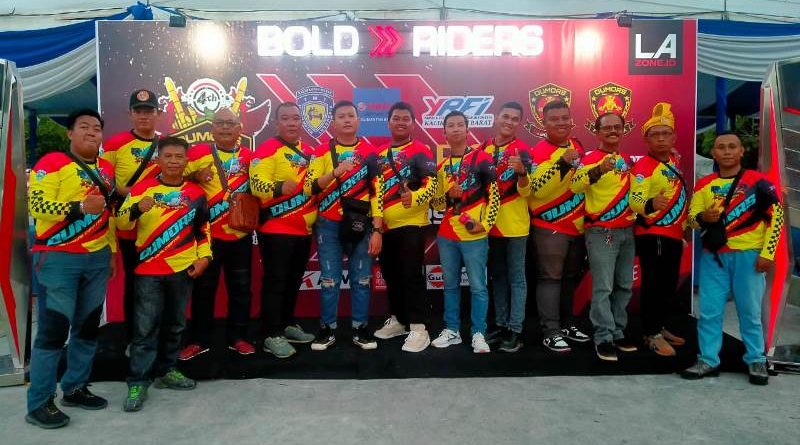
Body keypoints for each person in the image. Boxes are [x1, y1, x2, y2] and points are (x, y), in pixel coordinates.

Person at [27, 109, 116, 428]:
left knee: (88, 326)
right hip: (58, 258)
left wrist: (112, 252)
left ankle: (75, 387)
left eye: (97, 128)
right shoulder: (51, 162)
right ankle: (39, 402)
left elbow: (109, 214)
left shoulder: (106, 169)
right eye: (84, 127)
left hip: (97, 257)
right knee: (54, 329)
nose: (92, 132)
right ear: (70, 133)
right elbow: (36, 205)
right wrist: (77, 207)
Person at [117, 136, 211, 411]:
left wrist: (205, 257)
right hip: (148, 269)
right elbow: (121, 222)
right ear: (158, 159)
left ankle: (167, 370)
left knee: (176, 324)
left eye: (178, 157)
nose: (173, 161)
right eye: (168, 156)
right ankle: (138, 381)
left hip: (182, 267)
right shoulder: (142, 189)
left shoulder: (195, 193)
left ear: (186, 160)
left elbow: (203, 229)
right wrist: (136, 208)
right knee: (145, 328)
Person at [682, 132, 783, 385]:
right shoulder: (704, 184)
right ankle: (708, 359)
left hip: (749, 258)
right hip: (714, 258)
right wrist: (704, 217)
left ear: (741, 151)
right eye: (721, 147)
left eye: (732, 147)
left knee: (750, 312)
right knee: (709, 312)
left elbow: (777, 218)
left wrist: (767, 254)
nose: (726, 151)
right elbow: (690, 219)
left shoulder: (759, 182)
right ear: (713, 154)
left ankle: (756, 359)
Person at [305, 100, 384, 351]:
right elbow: (309, 187)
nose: (347, 120)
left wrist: (378, 230)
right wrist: (335, 172)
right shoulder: (321, 151)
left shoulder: (370, 152)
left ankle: (360, 328)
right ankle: (327, 329)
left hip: (362, 225)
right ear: (333, 122)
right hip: (328, 225)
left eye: (351, 115)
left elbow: (377, 193)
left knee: (362, 280)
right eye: (341, 116)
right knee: (329, 279)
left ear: (358, 120)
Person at [179, 108, 255, 360]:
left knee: (241, 289)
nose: (224, 127)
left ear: (239, 128)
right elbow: (171, 177)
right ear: (211, 128)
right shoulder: (198, 153)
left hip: (240, 235)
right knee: (203, 290)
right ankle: (199, 340)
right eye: (220, 123)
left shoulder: (250, 156)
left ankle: (239, 337)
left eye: (230, 123)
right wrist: (194, 175)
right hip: (206, 237)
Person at [250, 102, 319, 358]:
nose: (291, 123)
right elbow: (256, 183)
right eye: (286, 118)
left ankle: (287, 324)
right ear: (276, 122)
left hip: (303, 231)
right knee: (276, 282)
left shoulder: (310, 151)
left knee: (293, 281)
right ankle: (271, 334)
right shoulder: (267, 149)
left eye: (296, 118)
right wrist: (278, 187)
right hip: (276, 229)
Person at [430, 110, 500, 353]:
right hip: (447, 234)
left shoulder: (482, 158)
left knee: (478, 286)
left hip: (474, 235)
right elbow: (437, 204)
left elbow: (495, 196)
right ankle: (452, 330)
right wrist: (448, 195)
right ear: (444, 132)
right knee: (449, 285)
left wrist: (486, 224)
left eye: (460, 124)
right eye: (451, 125)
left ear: (468, 130)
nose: (456, 128)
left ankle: (478, 332)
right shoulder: (442, 167)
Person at [570, 112, 637, 361]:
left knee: (624, 285)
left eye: (617, 127)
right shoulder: (588, 159)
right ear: (597, 132)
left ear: (623, 130)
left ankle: (618, 331)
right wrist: (599, 169)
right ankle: (603, 336)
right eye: (607, 127)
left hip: (627, 231)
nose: (613, 131)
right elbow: (575, 186)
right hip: (601, 232)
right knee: (604, 287)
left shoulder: (627, 160)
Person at [372, 102, 438, 352]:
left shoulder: (421, 149)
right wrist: (377, 224)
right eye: (396, 118)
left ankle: (419, 328)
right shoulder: (379, 154)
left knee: (410, 276)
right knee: (391, 275)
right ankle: (399, 320)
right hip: (386, 227)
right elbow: (375, 192)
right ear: (388, 122)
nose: (400, 122)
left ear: (413, 123)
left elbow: (432, 183)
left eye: (406, 119)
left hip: (412, 224)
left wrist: (416, 197)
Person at [101, 89, 162, 352]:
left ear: (158, 114)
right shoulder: (115, 144)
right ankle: (132, 339)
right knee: (135, 284)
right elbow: (103, 183)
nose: (144, 116)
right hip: (129, 227)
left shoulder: (167, 144)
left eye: (149, 111)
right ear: (130, 114)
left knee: (160, 284)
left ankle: (158, 337)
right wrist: (129, 192)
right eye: (138, 111)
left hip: (161, 226)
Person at [529, 101, 591, 354]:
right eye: (554, 119)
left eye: (565, 117)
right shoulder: (539, 151)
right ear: (544, 123)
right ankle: (550, 331)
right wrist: (562, 163)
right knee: (550, 278)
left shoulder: (577, 145)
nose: (561, 122)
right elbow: (536, 188)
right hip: (549, 225)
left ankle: (567, 325)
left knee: (568, 279)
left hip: (577, 225)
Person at [629, 103, 690, 357]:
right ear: (646, 139)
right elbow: (634, 200)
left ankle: (660, 326)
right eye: (655, 134)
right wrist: (651, 203)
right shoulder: (644, 166)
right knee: (654, 285)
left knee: (668, 285)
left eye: (666, 133)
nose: (661, 139)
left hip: (674, 235)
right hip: (653, 234)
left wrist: (682, 233)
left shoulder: (673, 160)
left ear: (674, 137)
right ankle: (650, 334)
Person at [481, 102, 534, 353]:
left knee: (517, 279)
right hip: (489, 226)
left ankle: (515, 329)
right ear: (496, 118)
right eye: (505, 116)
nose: (509, 122)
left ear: (519, 123)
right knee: (498, 277)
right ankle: (501, 325)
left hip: (515, 226)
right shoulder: (482, 148)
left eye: (515, 119)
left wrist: (522, 173)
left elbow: (528, 191)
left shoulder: (523, 150)